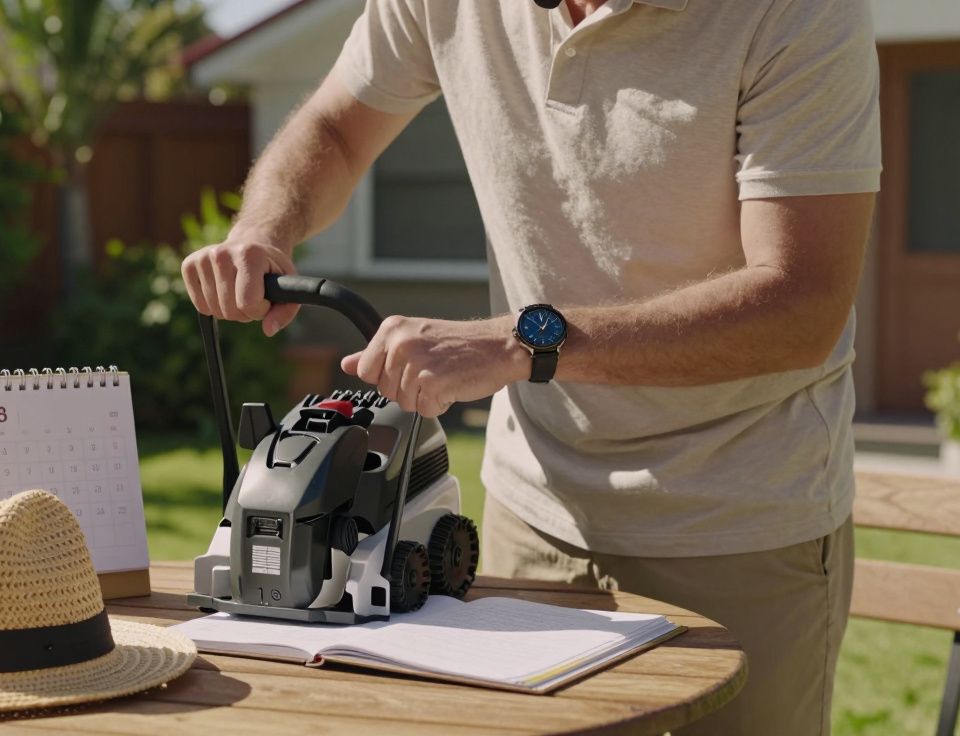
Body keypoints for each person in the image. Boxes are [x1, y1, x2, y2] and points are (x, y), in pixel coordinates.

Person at [180, 0, 879, 732]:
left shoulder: (798, 13)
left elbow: (802, 304)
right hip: (533, 519)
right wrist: (265, 226)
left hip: (737, 531)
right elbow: (335, 130)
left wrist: (521, 345)